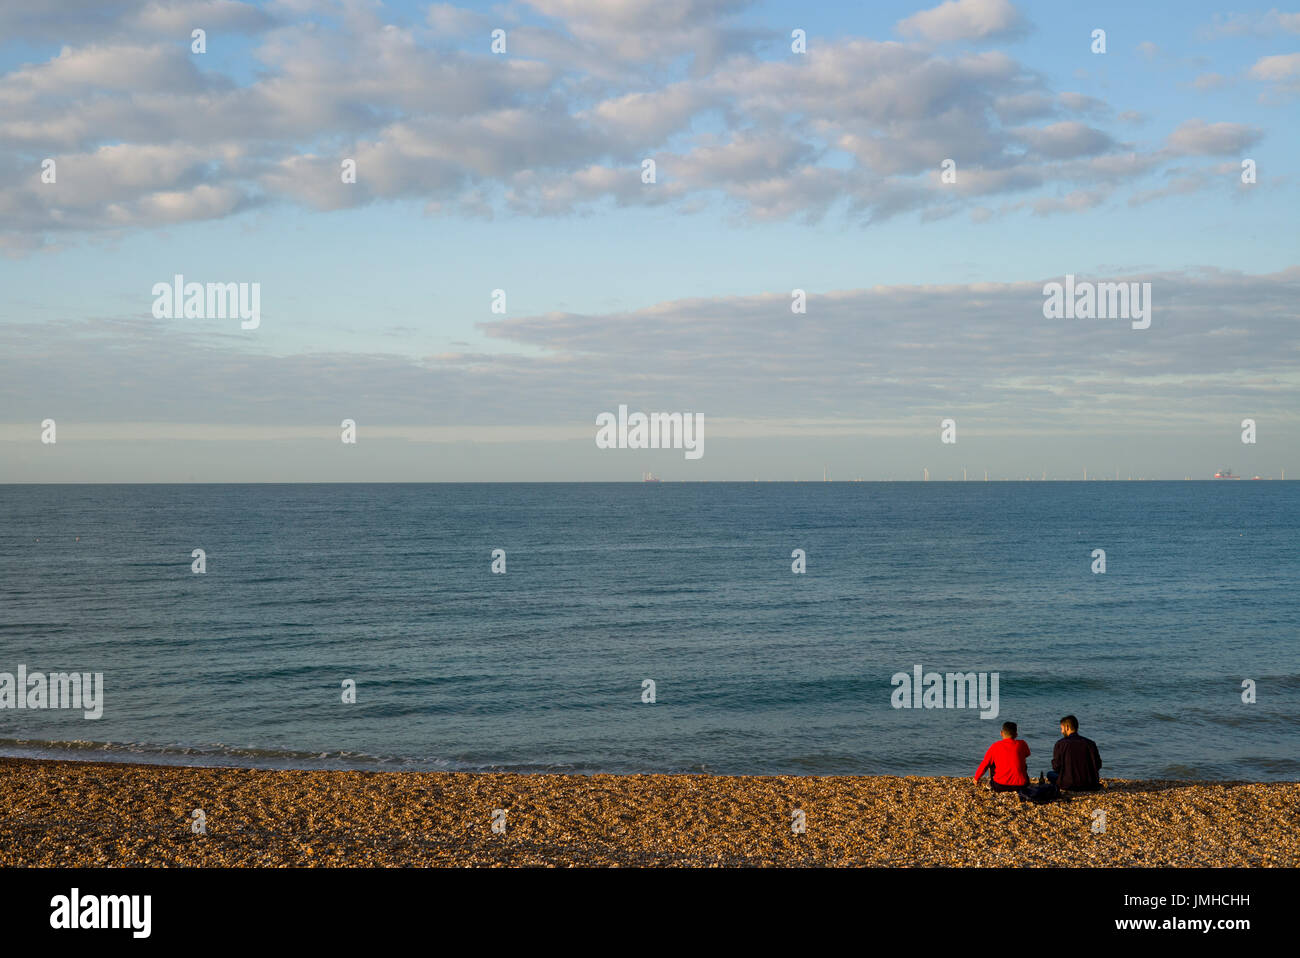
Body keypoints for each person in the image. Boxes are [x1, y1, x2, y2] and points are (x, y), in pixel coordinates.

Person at [1047, 715, 1102, 791]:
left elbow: (1056, 767)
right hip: (1090, 783)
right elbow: (1098, 765)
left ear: (1067, 727)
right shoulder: (1090, 743)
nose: (1061, 731)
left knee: (1050, 774)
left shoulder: (1060, 744)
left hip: (1069, 784)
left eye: (1061, 728)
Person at [974, 721, 1031, 792]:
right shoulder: (1022, 744)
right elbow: (1027, 754)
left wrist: (976, 778)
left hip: (1000, 786)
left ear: (1001, 733)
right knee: (1022, 761)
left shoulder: (995, 746)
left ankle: (991, 782)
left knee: (991, 762)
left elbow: (985, 764)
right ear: (1016, 734)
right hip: (1022, 786)